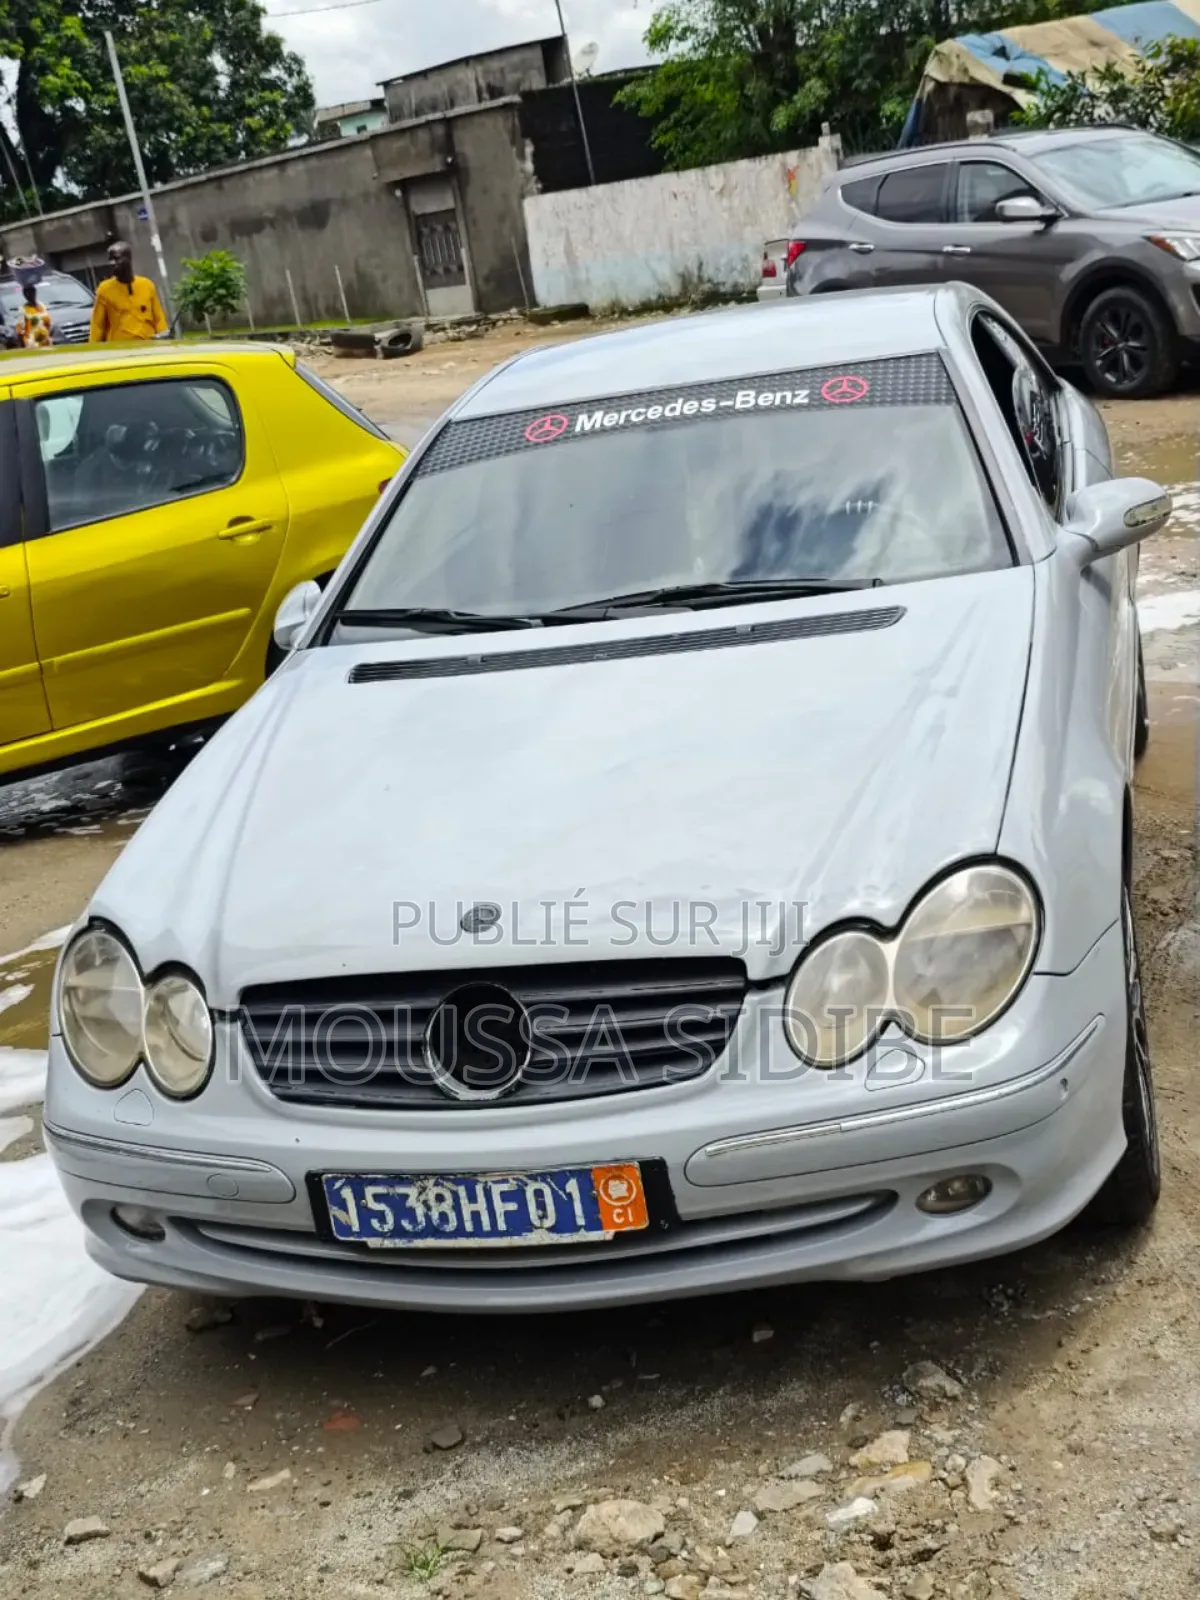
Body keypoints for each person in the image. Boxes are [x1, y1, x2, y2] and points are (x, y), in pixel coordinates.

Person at [89, 240, 168, 343]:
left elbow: (159, 319)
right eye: (110, 260)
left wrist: (164, 341)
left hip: (149, 346)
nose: (112, 263)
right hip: (121, 350)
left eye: (116, 259)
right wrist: (93, 351)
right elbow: (97, 326)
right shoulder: (104, 290)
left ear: (128, 259)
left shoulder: (147, 285)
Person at [16, 280, 52, 348]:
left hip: (45, 342)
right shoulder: (23, 310)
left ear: (35, 292)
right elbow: (19, 331)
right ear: (24, 295)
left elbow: (48, 323)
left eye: (32, 292)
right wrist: (22, 346)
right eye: (27, 294)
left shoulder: (42, 306)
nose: (30, 295)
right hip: (32, 343)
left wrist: (48, 336)